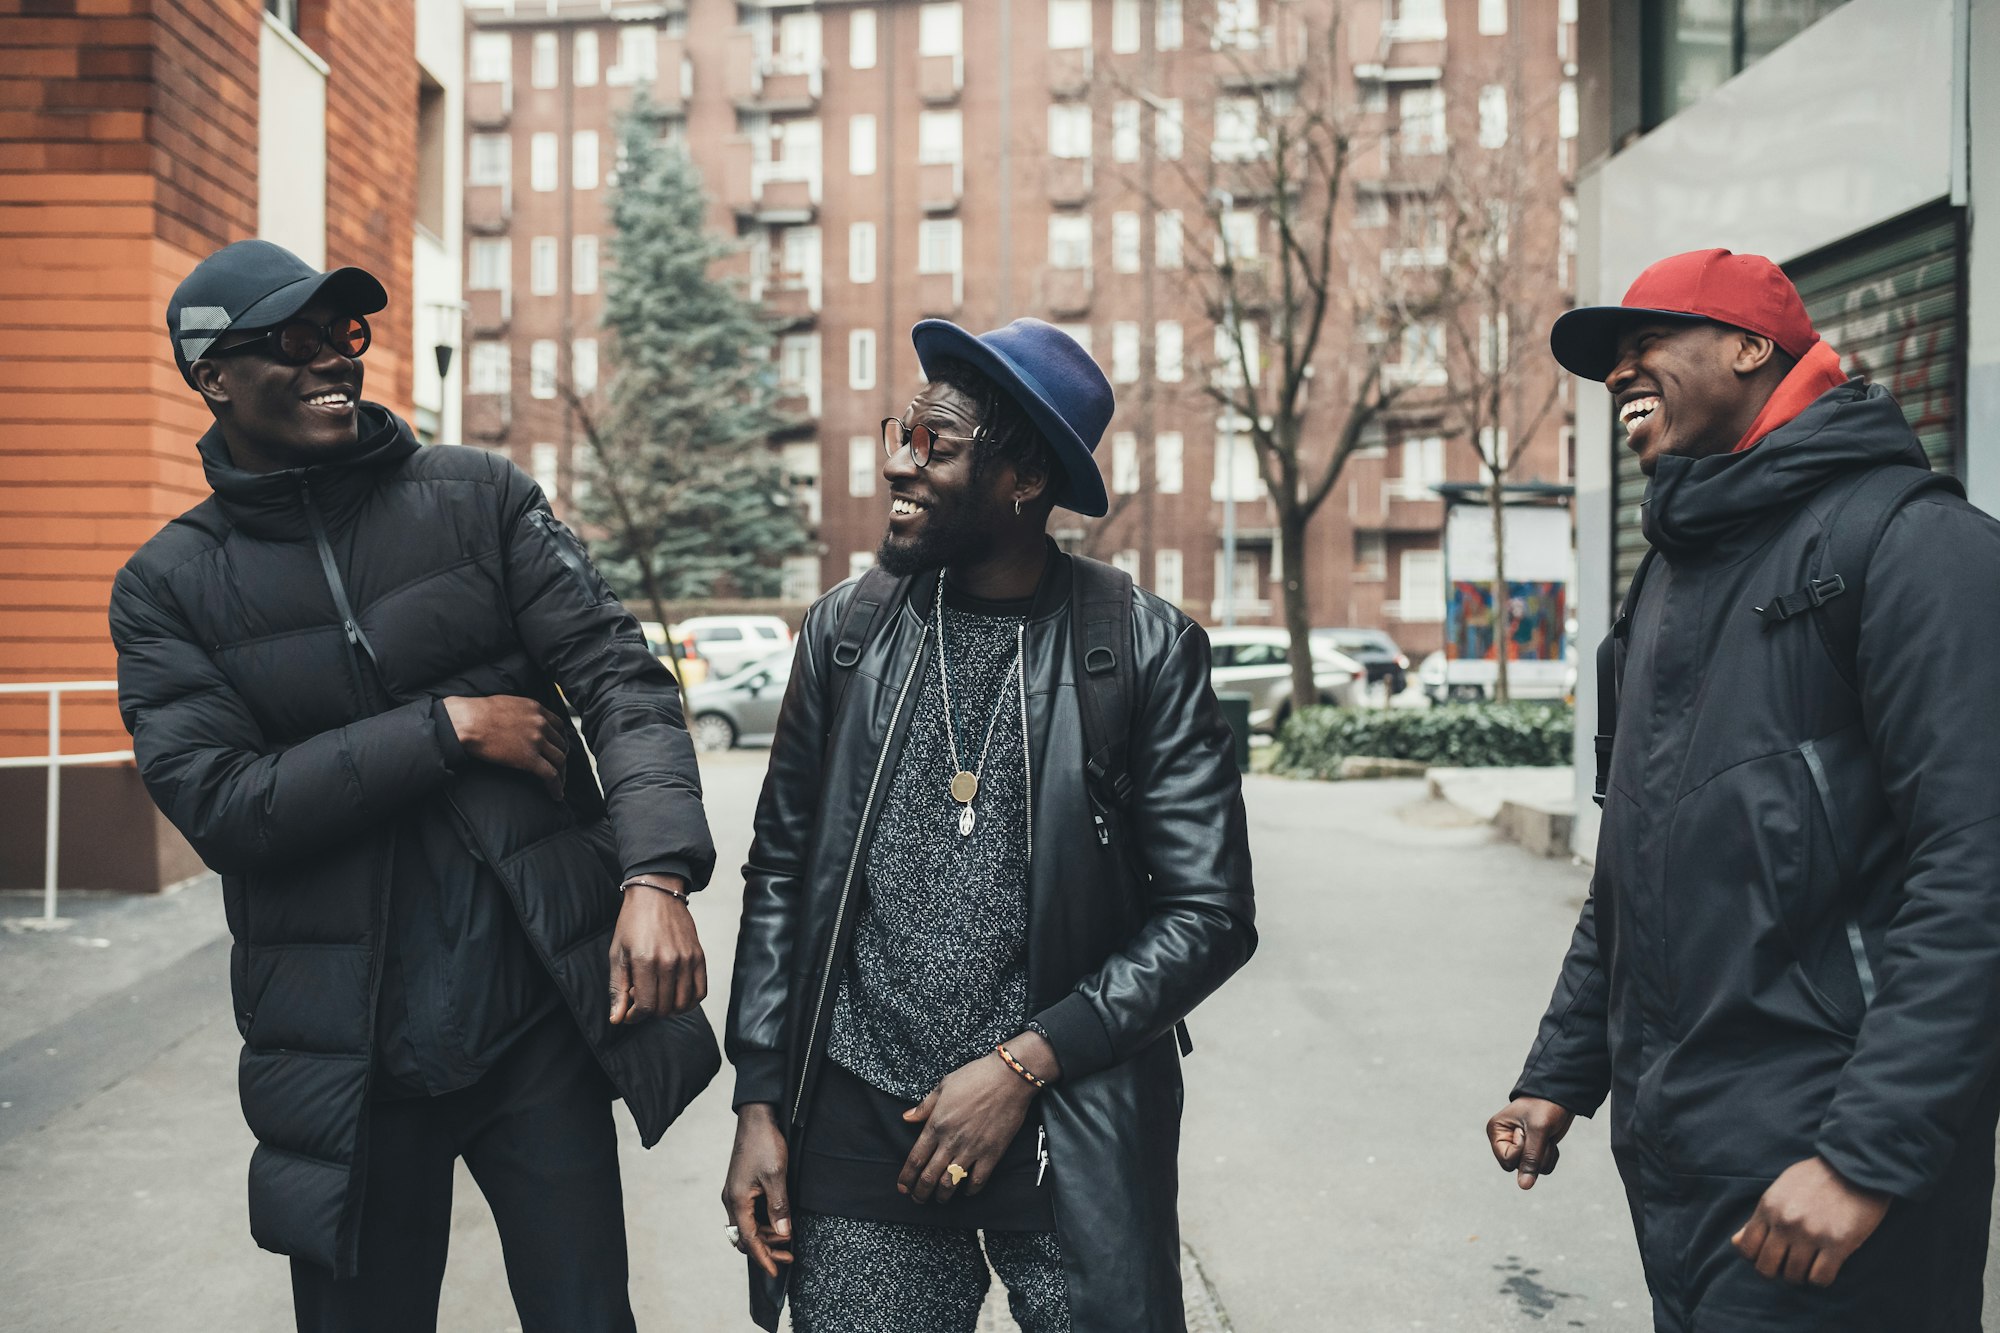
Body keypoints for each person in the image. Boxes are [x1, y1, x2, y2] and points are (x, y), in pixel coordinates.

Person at [110, 239, 720, 1332]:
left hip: (531, 1021)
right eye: (292, 342)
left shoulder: (476, 498)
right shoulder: (167, 586)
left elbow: (622, 684)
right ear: (213, 376)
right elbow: (225, 805)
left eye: (343, 335)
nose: (332, 362)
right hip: (346, 1055)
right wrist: (443, 728)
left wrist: (657, 874)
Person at [1485, 248, 2000, 1331]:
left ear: (1748, 345)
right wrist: (1559, 1070)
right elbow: (1630, 862)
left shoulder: (1913, 543)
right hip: (1683, 1153)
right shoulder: (1667, 576)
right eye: (1609, 360)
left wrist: (1863, 1157)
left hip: (1829, 1160)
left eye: (1645, 343)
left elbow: (1975, 873)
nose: (1619, 371)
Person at [721, 318, 1256, 1332]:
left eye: (935, 444)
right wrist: (757, 1097)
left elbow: (1208, 914)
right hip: (857, 1113)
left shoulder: (1141, 649)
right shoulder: (847, 631)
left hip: (1068, 1121)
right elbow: (784, 870)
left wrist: (1021, 1064)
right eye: (901, 433)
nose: (896, 463)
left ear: (1021, 477)